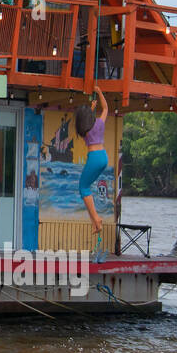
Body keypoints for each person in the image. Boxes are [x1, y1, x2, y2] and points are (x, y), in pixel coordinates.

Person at [75, 86, 109, 261]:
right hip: (104, 157)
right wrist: (100, 92)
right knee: (86, 187)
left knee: (83, 187)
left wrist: (90, 109)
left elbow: (86, 120)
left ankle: (97, 219)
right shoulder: (99, 124)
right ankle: (95, 222)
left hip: (94, 156)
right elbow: (106, 109)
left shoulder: (84, 130)